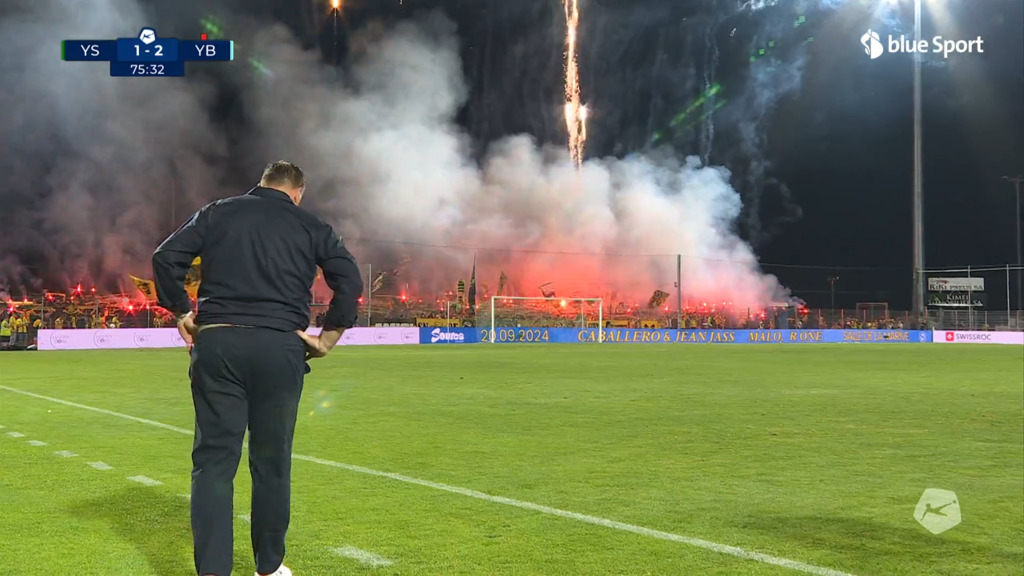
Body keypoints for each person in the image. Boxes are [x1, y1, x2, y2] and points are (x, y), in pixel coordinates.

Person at [152, 161, 363, 576]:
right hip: (279, 346)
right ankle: (268, 566)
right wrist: (328, 337)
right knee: (271, 461)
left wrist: (181, 312)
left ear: (262, 183)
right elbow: (349, 280)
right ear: (298, 191)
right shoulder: (309, 224)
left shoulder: (217, 212)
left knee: (213, 462)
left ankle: (213, 571)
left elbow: (165, 257)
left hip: (218, 343)